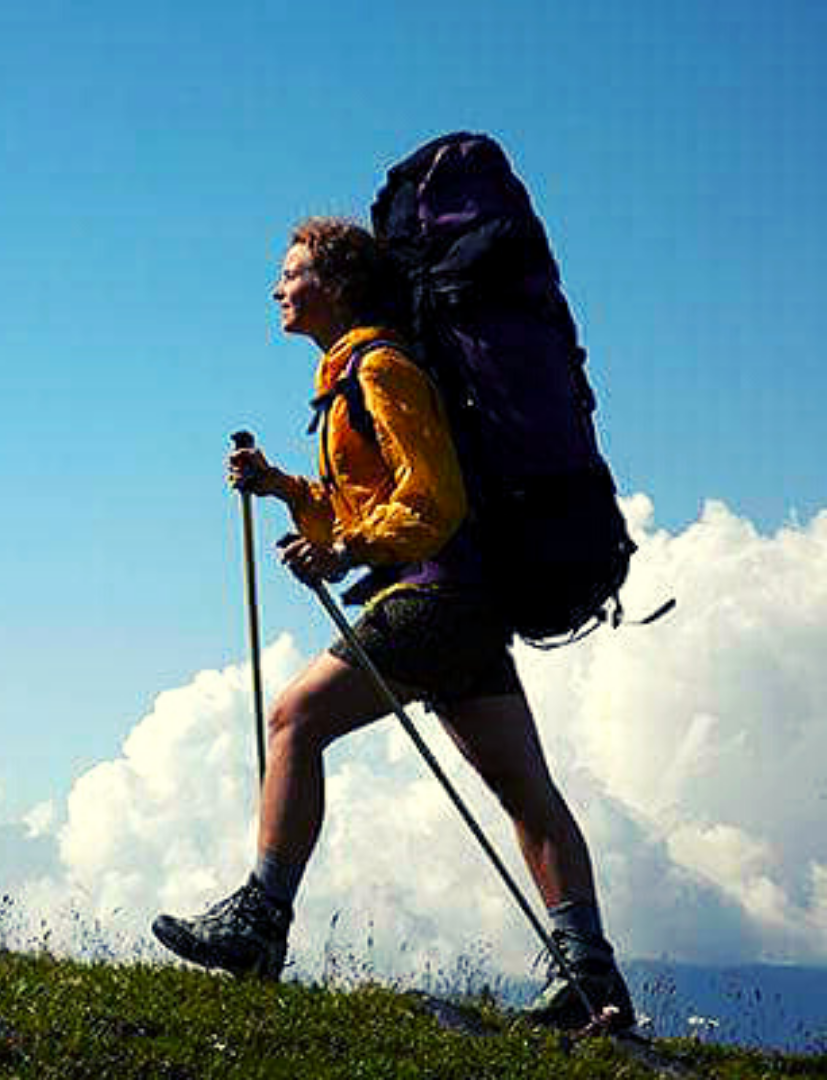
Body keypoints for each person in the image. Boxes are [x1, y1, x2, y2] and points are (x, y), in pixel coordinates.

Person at [151, 217, 634, 1031]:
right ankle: (592, 979)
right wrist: (285, 489)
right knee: (524, 791)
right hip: (472, 607)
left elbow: (432, 499)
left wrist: (345, 549)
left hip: (434, 598)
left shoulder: (381, 368)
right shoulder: (356, 377)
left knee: (293, 718)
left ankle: (259, 922)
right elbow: (375, 498)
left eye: (291, 272)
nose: (278, 288)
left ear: (335, 285)